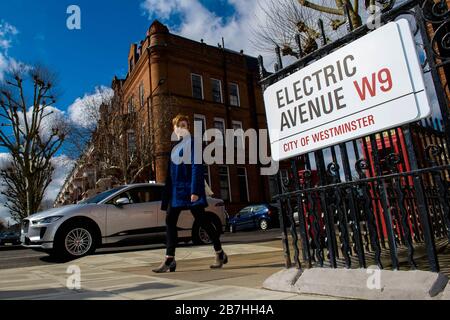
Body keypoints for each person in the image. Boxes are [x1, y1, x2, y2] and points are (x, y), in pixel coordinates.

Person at [152, 114, 227, 273]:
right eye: (177, 126)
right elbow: (171, 173)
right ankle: (169, 259)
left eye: (184, 125)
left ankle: (219, 252)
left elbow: (196, 166)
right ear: (174, 129)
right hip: (176, 192)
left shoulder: (193, 143)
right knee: (170, 220)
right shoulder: (175, 147)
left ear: (188, 128)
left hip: (190, 189)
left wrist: (194, 190)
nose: (180, 129)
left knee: (203, 221)